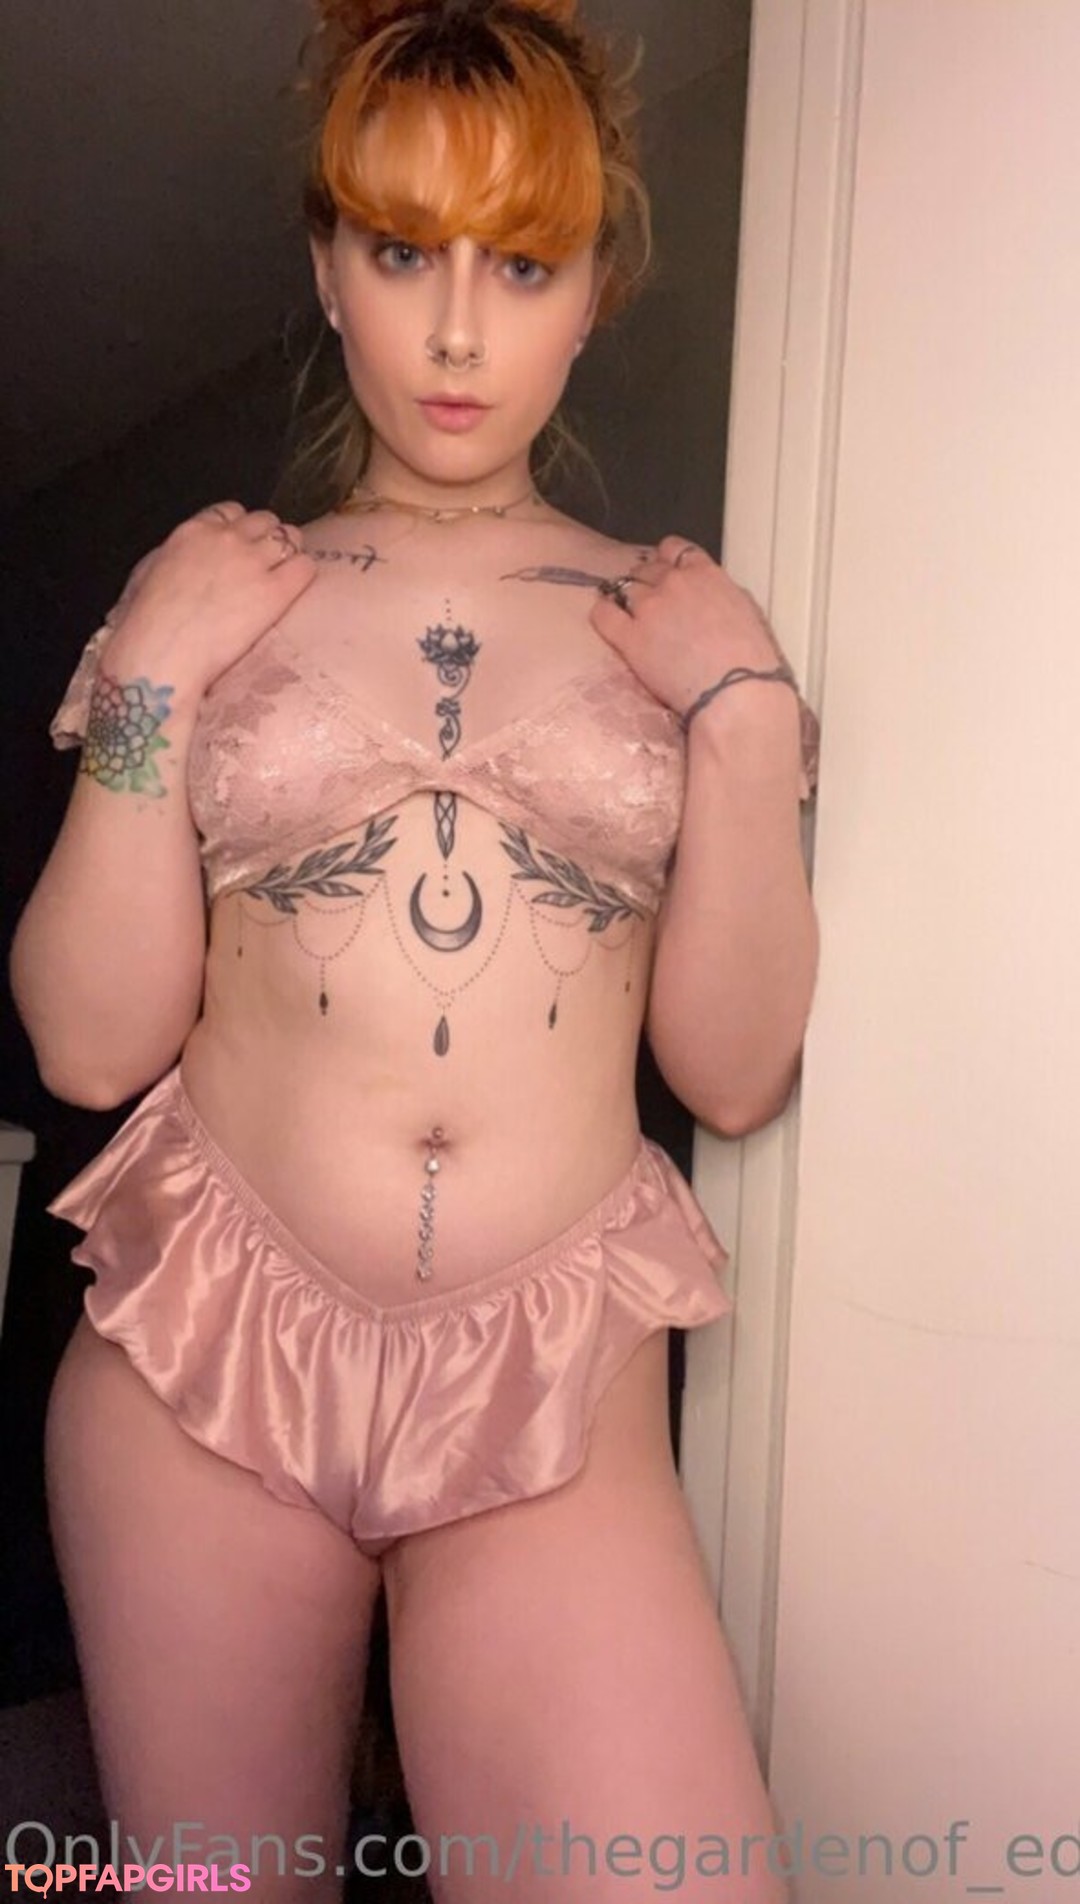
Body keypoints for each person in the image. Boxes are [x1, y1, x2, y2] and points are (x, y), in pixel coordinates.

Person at [10, 1, 820, 1899]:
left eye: (520, 265)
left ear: (594, 291)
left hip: (548, 1384)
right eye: (402, 253)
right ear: (327, 266)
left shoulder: (683, 626)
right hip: (202, 1359)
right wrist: (148, 675)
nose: (458, 332)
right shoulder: (211, 594)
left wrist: (746, 722)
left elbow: (732, 1073)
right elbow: (85, 1044)